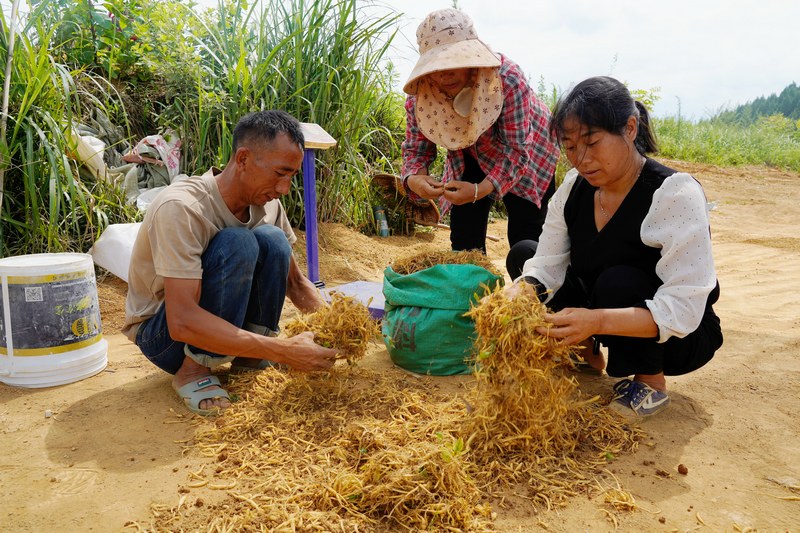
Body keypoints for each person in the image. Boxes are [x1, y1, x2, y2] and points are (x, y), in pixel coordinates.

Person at [507, 76, 723, 418]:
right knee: (523, 253)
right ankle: (585, 355)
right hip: (604, 312)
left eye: (592, 143)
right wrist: (517, 295)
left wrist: (595, 320)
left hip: (681, 336)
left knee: (618, 280)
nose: (581, 158)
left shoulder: (674, 193)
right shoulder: (573, 188)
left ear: (631, 128)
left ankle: (650, 384)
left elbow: (683, 308)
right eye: (571, 146)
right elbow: (546, 263)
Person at [122, 110, 337, 415]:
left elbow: (296, 284)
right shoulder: (182, 207)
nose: (284, 188)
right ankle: (194, 370)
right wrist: (283, 351)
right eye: (279, 173)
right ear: (244, 159)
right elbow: (181, 320)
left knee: (273, 241)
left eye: (291, 175)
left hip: (224, 329)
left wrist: (337, 329)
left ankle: (249, 359)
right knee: (238, 242)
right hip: (166, 337)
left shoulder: (270, 206)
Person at [400, 8, 560, 270]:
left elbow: (516, 151)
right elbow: (416, 153)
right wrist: (416, 179)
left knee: (526, 238)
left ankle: (532, 302)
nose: (444, 74)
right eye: (436, 66)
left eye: (452, 63)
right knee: (465, 243)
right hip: (470, 155)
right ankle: (473, 303)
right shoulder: (421, 98)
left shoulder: (507, 79)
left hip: (529, 153)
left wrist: (479, 190)